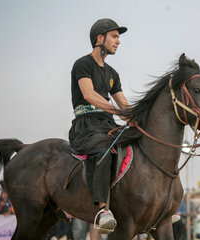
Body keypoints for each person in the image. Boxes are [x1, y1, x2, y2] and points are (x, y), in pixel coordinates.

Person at [68, 18, 137, 232]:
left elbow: (123, 104)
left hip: (107, 124)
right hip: (85, 127)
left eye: (118, 37)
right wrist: (117, 111)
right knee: (106, 147)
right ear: (100, 38)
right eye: (114, 36)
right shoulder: (82, 64)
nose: (118, 41)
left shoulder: (113, 74)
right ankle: (101, 209)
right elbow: (89, 95)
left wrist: (137, 119)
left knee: (139, 143)